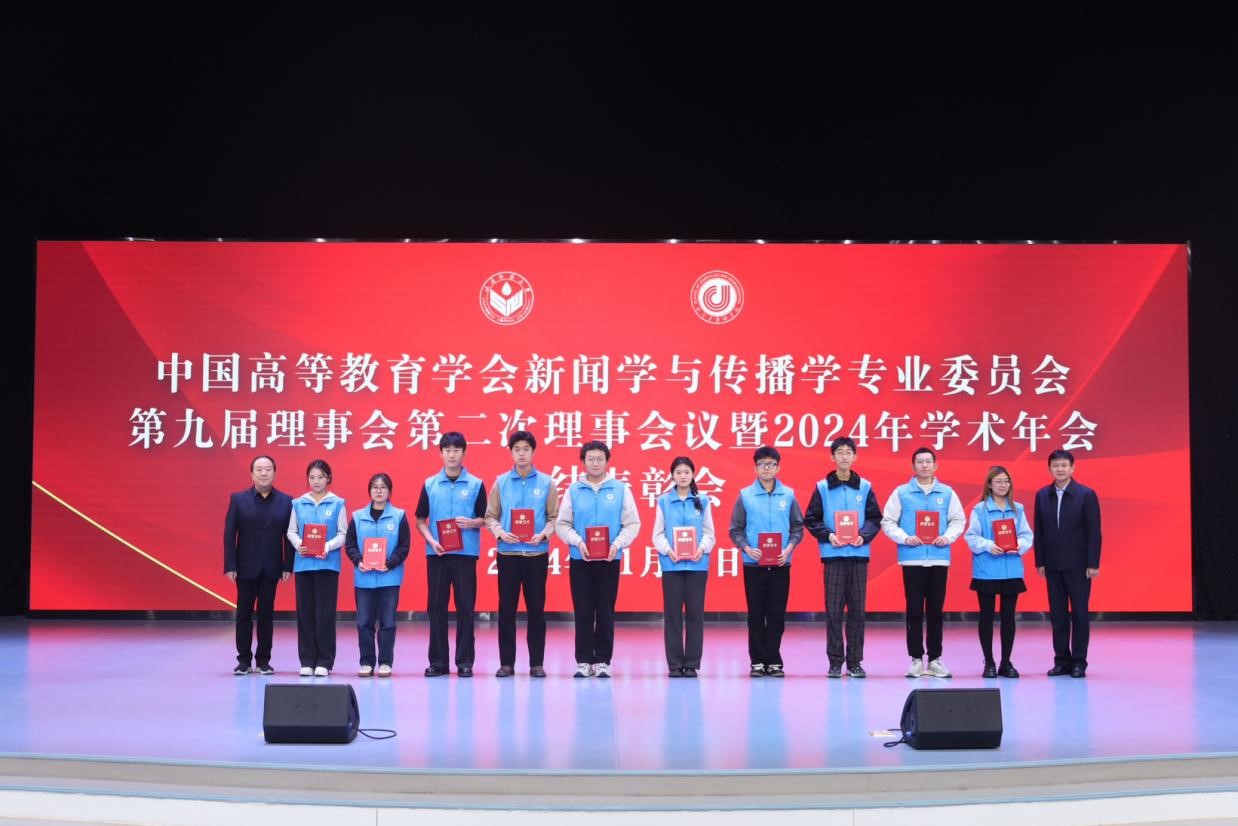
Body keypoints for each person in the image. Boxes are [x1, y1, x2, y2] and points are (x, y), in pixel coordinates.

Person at [555, 440, 641, 678]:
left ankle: (603, 660)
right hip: (580, 559)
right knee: (582, 610)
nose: (595, 463)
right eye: (591, 459)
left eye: (599, 459)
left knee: (605, 610)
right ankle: (583, 660)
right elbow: (562, 524)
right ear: (583, 462)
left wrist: (616, 545)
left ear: (607, 461)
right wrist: (578, 542)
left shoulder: (620, 489)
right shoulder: (574, 490)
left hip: (609, 560)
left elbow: (632, 524)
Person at [880, 447, 966, 679]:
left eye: (928, 461)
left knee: (936, 612)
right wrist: (904, 538)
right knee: (914, 611)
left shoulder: (947, 493)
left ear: (935, 465)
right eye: (920, 461)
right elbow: (888, 521)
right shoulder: (901, 493)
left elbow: (958, 519)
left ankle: (935, 659)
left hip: (938, 559)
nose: (925, 465)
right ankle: (916, 659)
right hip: (912, 560)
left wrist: (947, 537)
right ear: (913, 465)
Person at [803, 437, 881, 678]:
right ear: (832, 457)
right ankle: (835, 662)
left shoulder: (865, 487)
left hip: (858, 556)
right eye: (840, 452)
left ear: (855, 457)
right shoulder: (822, 488)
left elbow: (874, 518)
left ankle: (855, 662)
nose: (844, 456)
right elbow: (811, 519)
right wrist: (829, 535)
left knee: (857, 612)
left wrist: (863, 536)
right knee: (834, 612)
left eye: (849, 452)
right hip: (833, 557)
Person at [485, 430, 558, 678]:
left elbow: (554, 517)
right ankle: (507, 663)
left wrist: (544, 534)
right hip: (508, 555)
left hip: (536, 555)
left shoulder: (546, 483)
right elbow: (490, 516)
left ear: (533, 452)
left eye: (526, 449)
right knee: (506, 610)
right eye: (517, 449)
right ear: (511, 453)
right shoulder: (501, 482)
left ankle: (536, 663)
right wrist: (500, 533)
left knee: (536, 610)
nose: (522, 454)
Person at [416, 431, 488, 678]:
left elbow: (487, 519)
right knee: (436, 608)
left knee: (466, 607)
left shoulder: (476, 484)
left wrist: (472, 522)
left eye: (456, 450)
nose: (452, 455)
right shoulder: (430, 484)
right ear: (441, 453)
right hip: (437, 553)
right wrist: (431, 541)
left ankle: (465, 661)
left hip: (465, 554)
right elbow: (420, 520)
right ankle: (438, 662)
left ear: (464, 453)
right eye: (447, 450)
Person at [729, 445, 804, 678]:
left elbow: (797, 527)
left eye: (771, 464)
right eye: (762, 464)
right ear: (755, 468)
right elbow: (735, 529)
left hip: (781, 564)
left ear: (778, 467)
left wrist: (788, 549)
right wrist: (747, 548)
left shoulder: (788, 495)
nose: (766, 468)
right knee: (755, 615)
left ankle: (773, 660)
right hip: (753, 565)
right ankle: (757, 661)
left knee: (776, 615)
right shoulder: (745, 495)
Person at [1033, 448, 1102, 678]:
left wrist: (1093, 563)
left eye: (1064, 465)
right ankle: (1061, 660)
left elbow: (1094, 532)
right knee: (1058, 615)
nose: (1060, 469)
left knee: (1080, 614)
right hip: (1052, 565)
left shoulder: (1085, 494)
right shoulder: (1042, 495)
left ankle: (1079, 661)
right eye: (1055, 465)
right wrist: (1040, 561)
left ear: (1072, 468)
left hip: (1079, 566)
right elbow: (1039, 531)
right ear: (1049, 469)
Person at [223, 455, 293, 675]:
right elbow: (229, 533)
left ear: (275, 473)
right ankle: (243, 660)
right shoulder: (238, 499)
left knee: (266, 615)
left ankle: (264, 660)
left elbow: (289, 535)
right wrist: (230, 564)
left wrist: (288, 565)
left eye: (268, 469)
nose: (264, 473)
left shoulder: (286, 501)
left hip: (272, 567)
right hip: (245, 567)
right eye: (259, 469)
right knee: (243, 614)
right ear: (252, 474)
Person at [963, 466, 1033, 678]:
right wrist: (987, 545)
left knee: (1009, 618)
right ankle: (989, 662)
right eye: (998, 481)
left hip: (1011, 569)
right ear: (989, 485)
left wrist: (1018, 545)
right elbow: (971, 536)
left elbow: (1027, 535)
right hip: (987, 569)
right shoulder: (980, 509)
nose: (1003, 485)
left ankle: (1006, 662)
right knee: (986, 617)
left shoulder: (1017, 509)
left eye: (1006, 481)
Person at [651, 456, 715, 678]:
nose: (682, 476)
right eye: (678, 472)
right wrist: (668, 550)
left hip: (698, 565)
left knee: (696, 615)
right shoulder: (664, 501)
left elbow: (709, 533)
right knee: (673, 615)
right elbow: (657, 534)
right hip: (672, 565)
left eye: (686, 472)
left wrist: (701, 548)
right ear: (672, 475)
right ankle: (675, 663)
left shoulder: (703, 500)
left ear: (693, 474)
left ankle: (692, 663)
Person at [344, 473, 411, 677]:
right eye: (375, 487)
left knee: (387, 623)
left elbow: (404, 546)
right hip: (364, 579)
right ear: (370, 491)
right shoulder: (358, 516)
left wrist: (390, 563)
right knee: (364, 622)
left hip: (389, 578)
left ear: (390, 491)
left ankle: (385, 662)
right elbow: (350, 544)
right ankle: (366, 662)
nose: (379, 491)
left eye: (383, 487)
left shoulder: (399, 516)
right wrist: (359, 561)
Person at [287, 459, 348, 677]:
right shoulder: (298, 503)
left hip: (327, 565)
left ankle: (324, 660)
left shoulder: (338, 503)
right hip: (304, 565)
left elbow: (343, 533)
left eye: (320, 477)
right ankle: (306, 659)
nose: (316, 481)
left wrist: (327, 546)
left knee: (325, 613)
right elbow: (291, 531)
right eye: (312, 477)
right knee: (305, 613)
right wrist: (298, 544)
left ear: (328, 478)